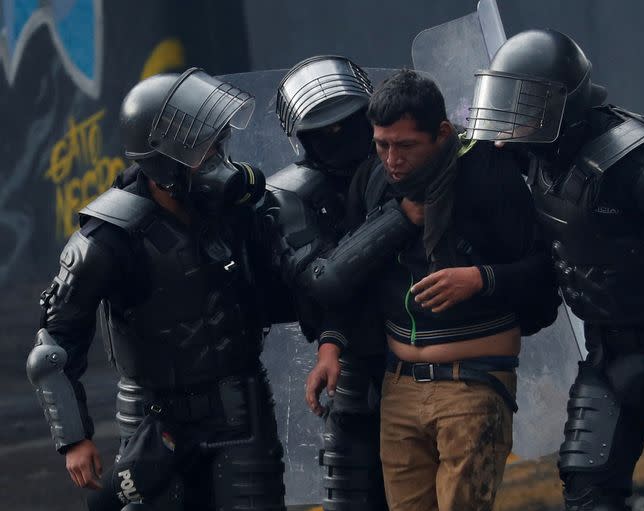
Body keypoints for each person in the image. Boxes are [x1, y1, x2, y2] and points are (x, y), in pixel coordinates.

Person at [464, 29, 644, 511]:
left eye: (527, 106)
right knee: (588, 492)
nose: (511, 121)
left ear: (563, 105)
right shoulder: (534, 151)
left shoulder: (639, 161)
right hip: (608, 352)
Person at [26, 68, 286, 511]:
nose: (218, 158)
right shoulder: (107, 239)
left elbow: (286, 284)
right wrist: (74, 438)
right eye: (205, 150)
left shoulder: (233, 209)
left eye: (218, 144)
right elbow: (53, 347)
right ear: (165, 161)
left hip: (239, 410)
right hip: (153, 422)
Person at [305, 69, 560, 511]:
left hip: (473, 380)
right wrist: (331, 345)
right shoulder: (374, 181)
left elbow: (546, 273)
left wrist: (481, 279)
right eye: (382, 144)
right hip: (399, 384)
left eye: (405, 145)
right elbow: (355, 273)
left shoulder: (487, 173)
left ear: (442, 133)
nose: (392, 158)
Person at [265, 55, 410, 510]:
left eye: (347, 123)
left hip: (429, 356)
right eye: (324, 130)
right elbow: (323, 282)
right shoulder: (291, 194)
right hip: (354, 362)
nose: (339, 136)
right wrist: (401, 216)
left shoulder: (404, 164)